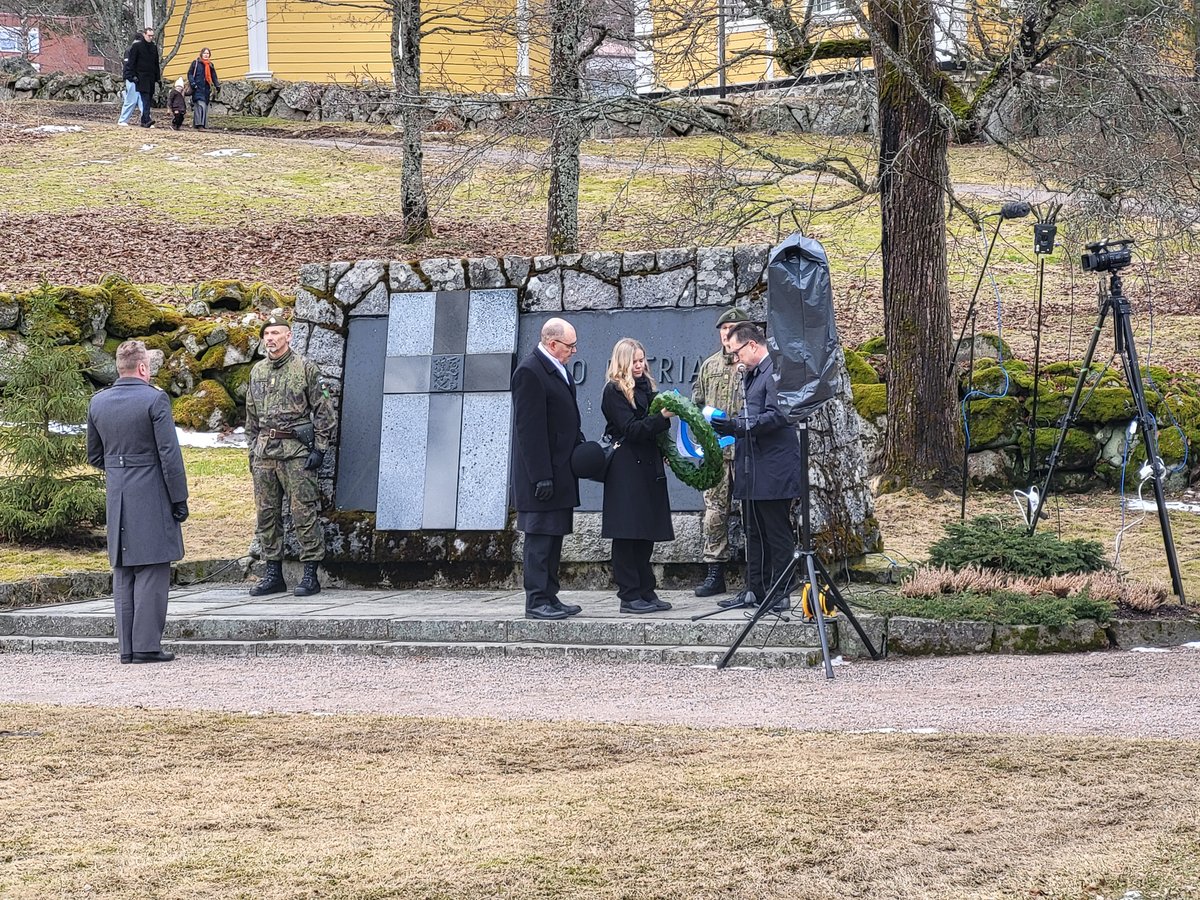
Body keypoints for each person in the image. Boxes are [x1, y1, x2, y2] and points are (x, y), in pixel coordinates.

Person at [86, 340, 189, 664]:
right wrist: (179, 497)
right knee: (153, 568)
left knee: (124, 570)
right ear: (143, 367)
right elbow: (169, 455)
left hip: (118, 494)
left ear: (120, 367)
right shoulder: (154, 399)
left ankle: (127, 648)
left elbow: (94, 455)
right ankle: (146, 646)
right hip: (152, 492)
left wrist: (122, 470)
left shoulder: (98, 402)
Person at [245, 312, 336, 597]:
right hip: (264, 453)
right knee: (267, 515)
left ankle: (310, 574)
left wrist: (320, 448)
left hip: (296, 452)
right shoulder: (257, 371)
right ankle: (273, 573)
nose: (270, 339)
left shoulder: (305, 368)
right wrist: (252, 450)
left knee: (303, 512)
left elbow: (324, 411)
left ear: (288, 336)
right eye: (267, 335)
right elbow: (250, 415)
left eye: (276, 334)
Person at [712, 322, 801, 613]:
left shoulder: (773, 371)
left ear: (752, 345)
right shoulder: (751, 374)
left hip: (773, 468)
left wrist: (737, 425)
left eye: (736, 352)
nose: (735, 359)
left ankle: (782, 591)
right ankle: (755, 588)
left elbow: (777, 416)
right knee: (753, 531)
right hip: (753, 465)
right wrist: (732, 422)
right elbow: (752, 413)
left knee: (776, 531)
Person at [510, 317, 585, 620]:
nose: (574, 350)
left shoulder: (557, 369)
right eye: (570, 345)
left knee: (554, 538)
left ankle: (550, 596)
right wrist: (541, 475)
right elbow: (530, 431)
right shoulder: (530, 371)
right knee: (540, 539)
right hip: (541, 475)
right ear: (553, 344)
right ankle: (536, 600)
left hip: (560, 471)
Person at [600, 338, 675, 615]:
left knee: (646, 532)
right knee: (627, 533)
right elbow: (631, 429)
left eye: (642, 360)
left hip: (648, 467)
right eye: (635, 361)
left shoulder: (649, 389)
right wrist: (662, 418)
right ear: (623, 362)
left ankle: (646, 589)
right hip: (626, 468)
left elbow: (653, 429)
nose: (640, 365)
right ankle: (629, 594)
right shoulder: (614, 392)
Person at [690, 307, 748, 597]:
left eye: (734, 328)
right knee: (714, 514)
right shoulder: (709, 366)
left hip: (746, 451)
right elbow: (696, 403)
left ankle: (758, 572)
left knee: (752, 512)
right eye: (724, 330)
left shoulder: (750, 363)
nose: (728, 334)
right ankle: (715, 572)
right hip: (716, 454)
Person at [127, 26, 161, 128]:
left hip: (150, 77)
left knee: (148, 98)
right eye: (149, 35)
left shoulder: (154, 47)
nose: (151, 38)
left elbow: (156, 64)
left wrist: (158, 78)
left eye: (152, 36)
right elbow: (131, 62)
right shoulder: (137, 47)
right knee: (145, 98)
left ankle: (144, 120)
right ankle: (147, 119)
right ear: (144, 35)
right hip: (140, 77)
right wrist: (132, 76)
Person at [186, 47, 220, 130]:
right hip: (197, 88)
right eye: (204, 53)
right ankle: (199, 124)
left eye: (207, 53)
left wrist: (217, 85)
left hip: (206, 89)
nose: (206, 55)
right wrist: (193, 83)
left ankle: (202, 124)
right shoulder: (196, 63)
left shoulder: (210, 65)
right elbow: (190, 73)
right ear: (201, 54)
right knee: (199, 105)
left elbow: (214, 76)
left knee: (204, 105)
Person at [116, 33, 144, 126]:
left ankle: (146, 120)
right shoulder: (130, 50)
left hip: (140, 80)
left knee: (143, 101)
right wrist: (131, 77)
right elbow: (128, 67)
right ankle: (122, 120)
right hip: (132, 80)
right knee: (131, 100)